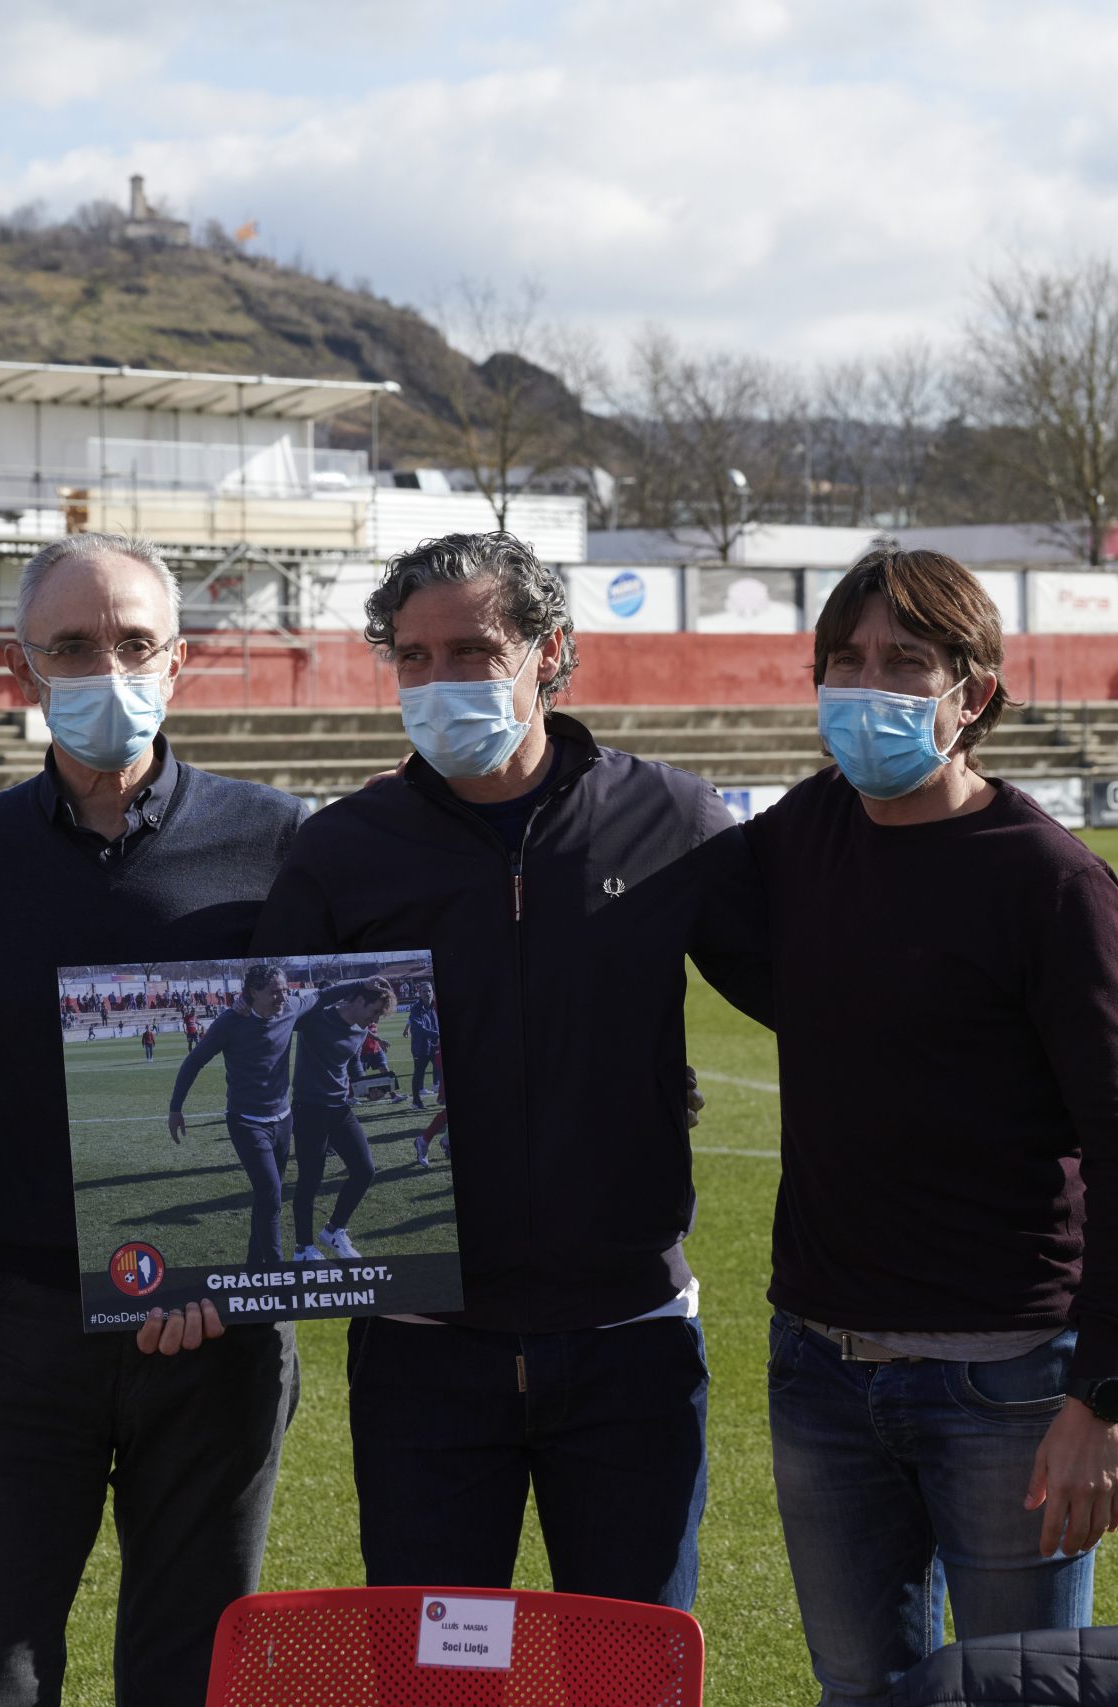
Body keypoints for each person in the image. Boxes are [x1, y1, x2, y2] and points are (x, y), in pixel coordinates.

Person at [252, 530, 765, 1612]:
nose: (439, 679)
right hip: (422, 1356)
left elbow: (813, 1000)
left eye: (473, 651)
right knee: (437, 1674)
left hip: (629, 1345)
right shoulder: (344, 849)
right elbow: (268, 1047)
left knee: (627, 1673)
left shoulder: (671, 819)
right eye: (413, 656)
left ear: (550, 650)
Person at [0, 533, 308, 1707]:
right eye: (72, 645)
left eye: (134, 643)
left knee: (188, 1671)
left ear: (179, 660)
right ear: (24, 667)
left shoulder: (282, 841)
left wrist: (232, 1265)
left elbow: (346, 1064)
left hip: (220, 1328)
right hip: (23, 1318)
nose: (108, 668)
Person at [734, 545, 1118, 1703]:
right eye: (845, 661)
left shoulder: (1049, 882)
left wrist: (1101, 1393)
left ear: (971, 693)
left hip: (1007, 1384)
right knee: (859, 1694)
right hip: (820, 1367)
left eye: (904, 662)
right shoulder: (802, 832)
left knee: (1016, 1695)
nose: (866, 687)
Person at [170, 963, 390, 1269]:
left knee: (268, 1199)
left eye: (285, 990)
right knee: (273, 1196)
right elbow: (194, 1061)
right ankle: (281, 1273)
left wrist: (363, 982)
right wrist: (176, 1108)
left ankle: (255, 1267)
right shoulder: (233, 1022)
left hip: (284, 1119)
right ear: (252, 992)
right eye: (275, 992)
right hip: (250, 1120)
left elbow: (322, 996)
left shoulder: (290, 1010)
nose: (283, 997)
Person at [289, 976, 397, 1261]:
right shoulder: (315, 1017)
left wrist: (367, 1088)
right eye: (375, 1011)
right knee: (310, 1181)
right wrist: (361, 982)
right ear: (360, 1000)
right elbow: (313, 999)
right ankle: (303, 1249)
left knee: (364, 1170)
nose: (375, 1019)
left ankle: (334, 1230)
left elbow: (353, 1063)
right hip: (309, 1109)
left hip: (339, 1109)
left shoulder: (361, 1030)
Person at [406, 984, 443, 1107]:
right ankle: (416, 1102)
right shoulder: (416, 1008)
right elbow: (419, 1028)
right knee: (419, 1073)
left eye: (429, 991)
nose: (427, 993)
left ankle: (442, 1097)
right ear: (419, 993)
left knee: (441, 1071)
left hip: (435, 1045)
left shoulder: (434, 1006)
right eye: (424, 991)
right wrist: (436, 1034)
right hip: (421, 1047)